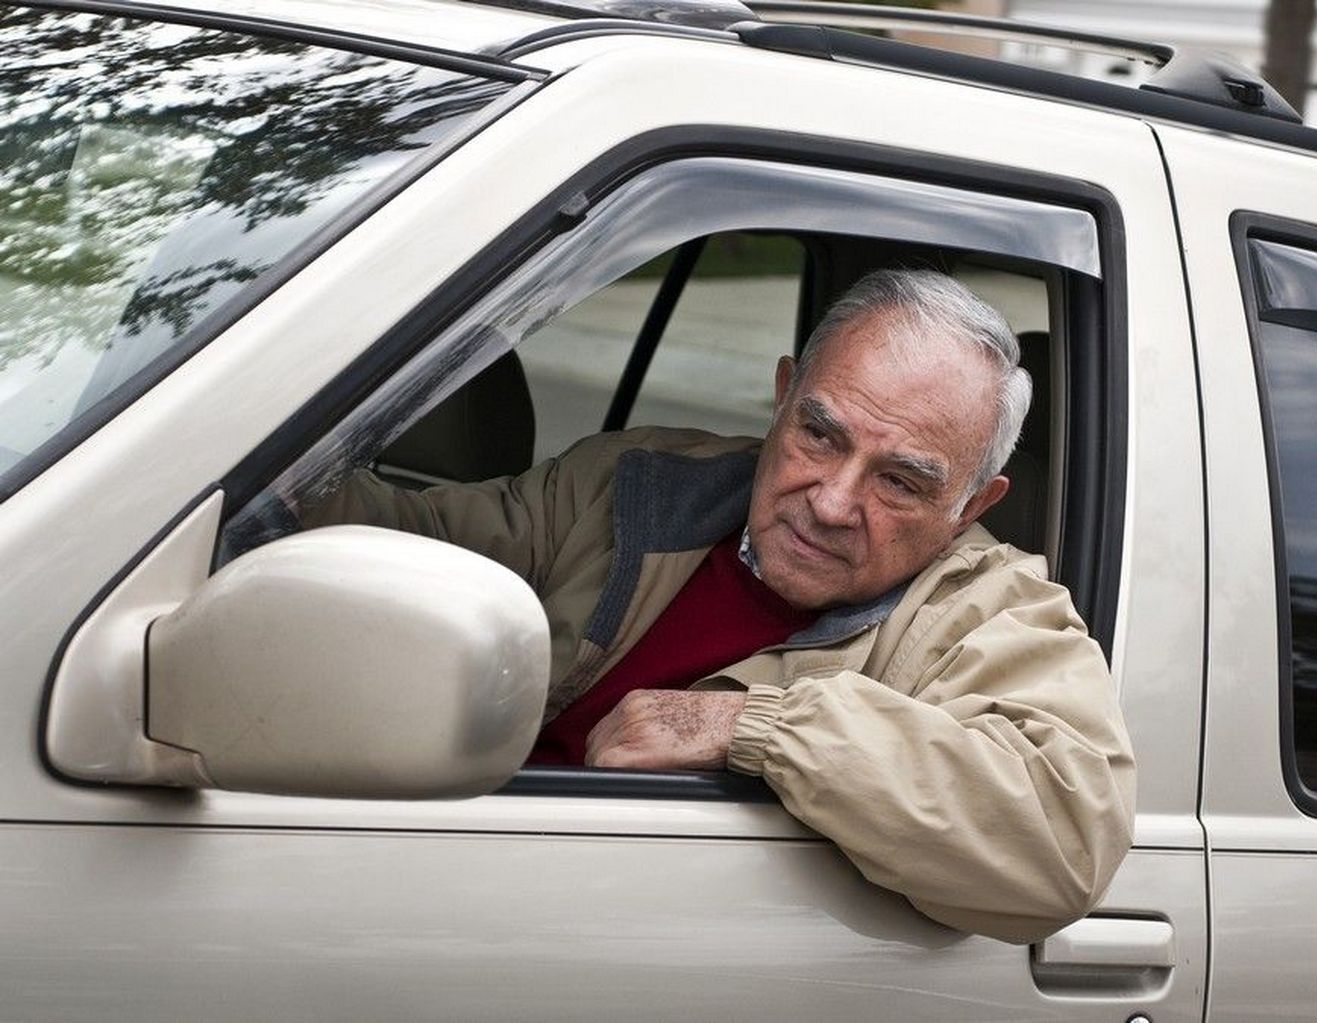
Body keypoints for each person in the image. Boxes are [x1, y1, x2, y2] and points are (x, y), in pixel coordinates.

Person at [305, 268, 1135, 944]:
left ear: (973, 504)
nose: (834, 501)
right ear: (780, 397)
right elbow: (398, 537)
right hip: (416, 888)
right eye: (820, 435)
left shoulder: (991, 612)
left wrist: (752, 729)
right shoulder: (632, 485)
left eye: (900, 480)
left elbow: (1061, 842)